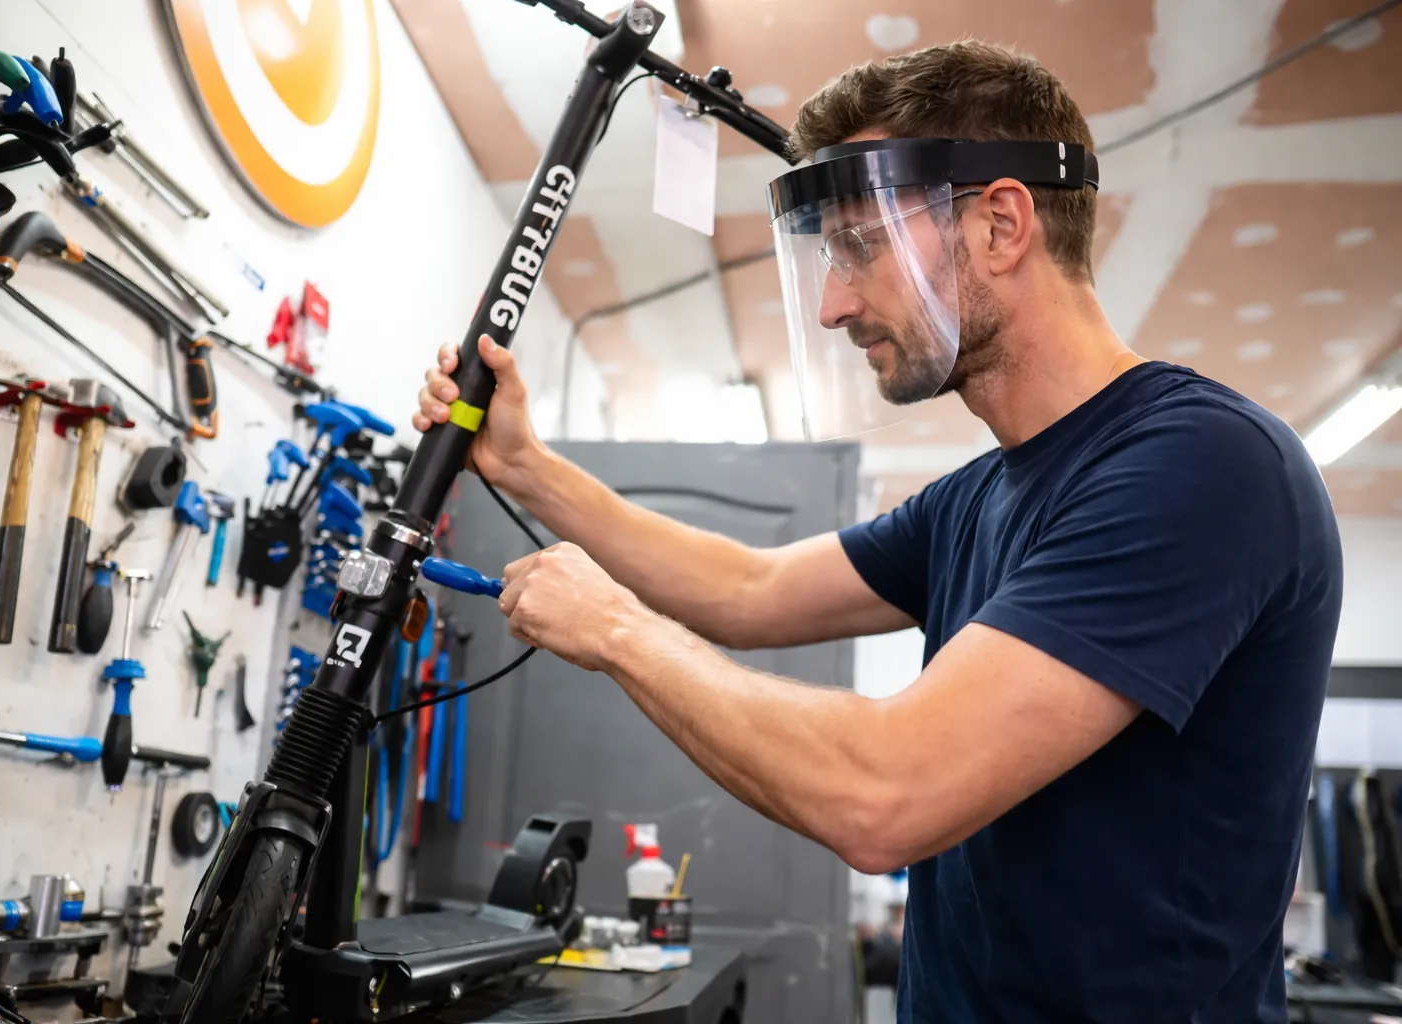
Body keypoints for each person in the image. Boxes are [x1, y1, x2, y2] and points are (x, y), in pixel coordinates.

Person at [413, 41, 1340, 1022]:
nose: (831, 303)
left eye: (859, 246)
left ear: (1000, 224)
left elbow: (886, 794)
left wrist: (615, 631)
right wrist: (525, 466)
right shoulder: (977, 497)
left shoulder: (1200, 467)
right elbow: (747, 589)